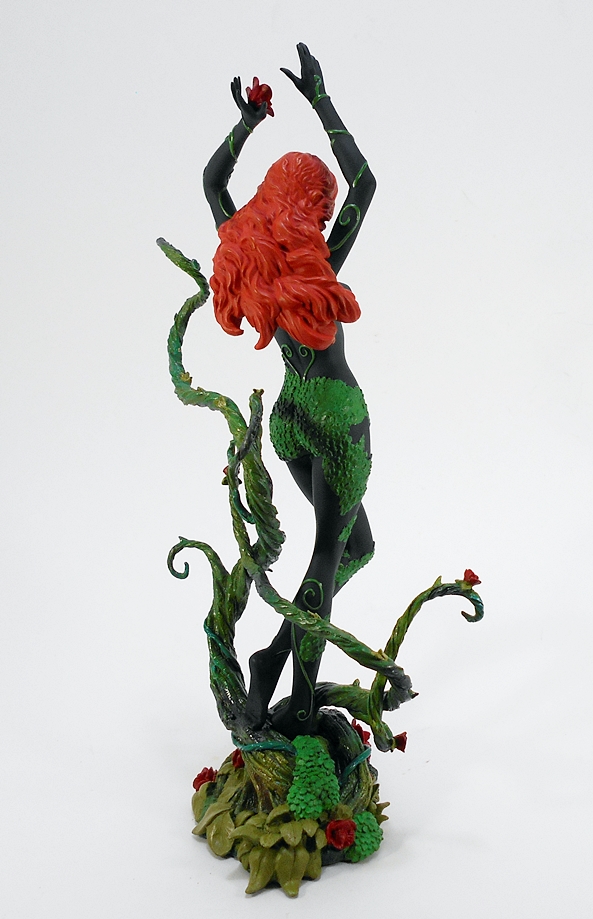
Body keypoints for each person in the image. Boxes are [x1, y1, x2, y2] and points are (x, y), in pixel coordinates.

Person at [203, 44, 376, 739]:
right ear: (312, 204)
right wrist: (320, 101)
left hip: (288, 419)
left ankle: (274, 652)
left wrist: (247, 124)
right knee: (327, 559)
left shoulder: (252, 257)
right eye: (323, 204)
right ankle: (297, 698)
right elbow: (365, 180)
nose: (329, 214)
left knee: (355, 547)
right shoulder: (319, 262)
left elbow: (213, 183)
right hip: (336, 417)